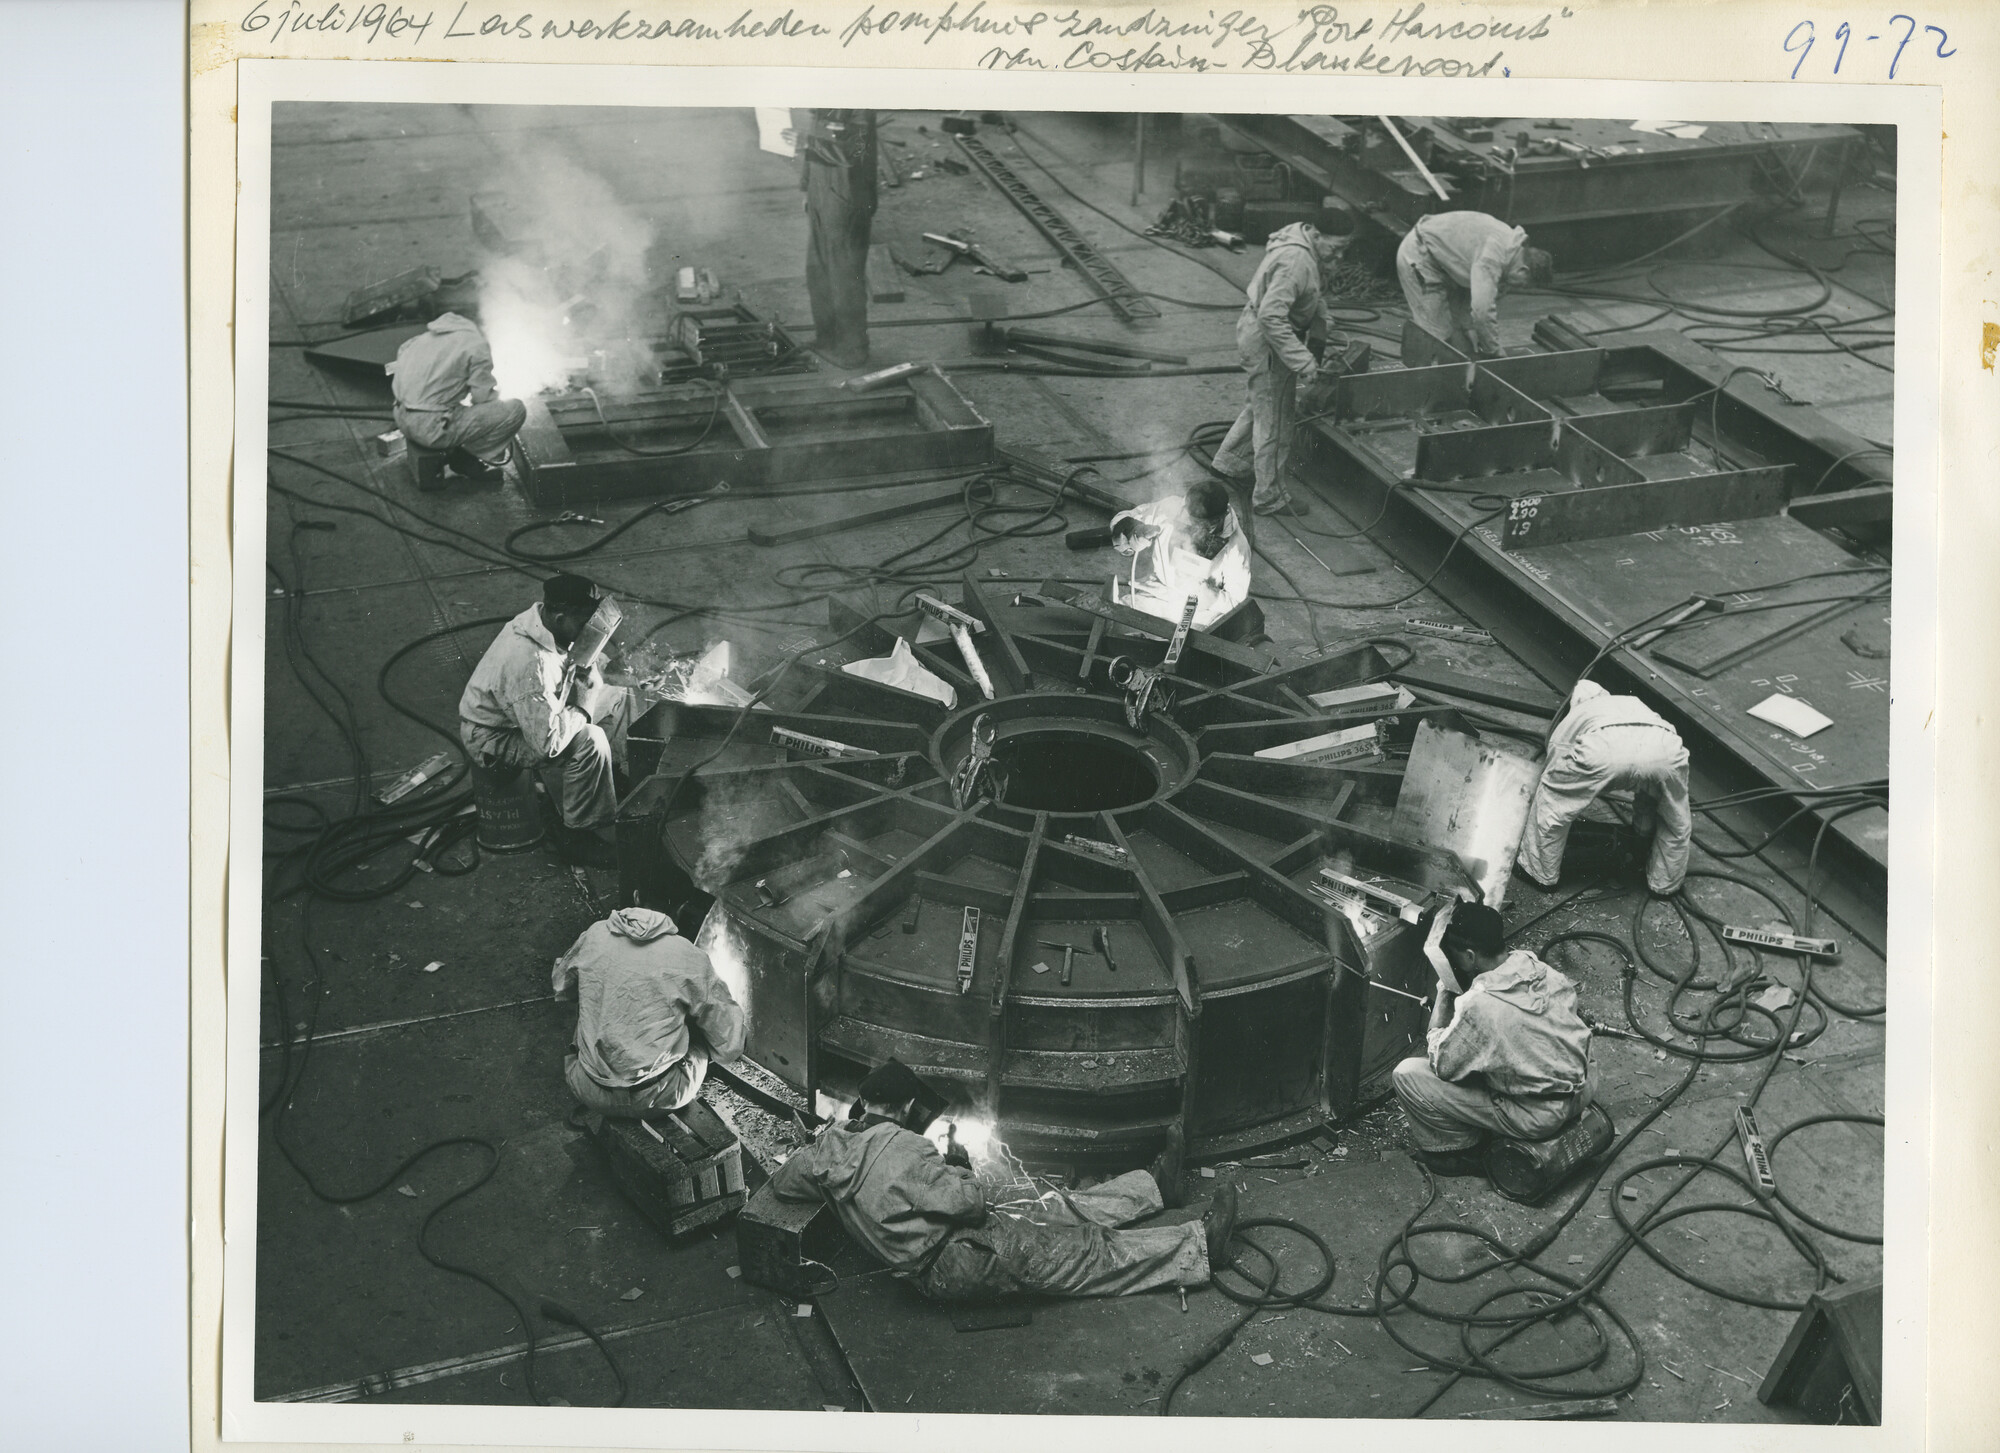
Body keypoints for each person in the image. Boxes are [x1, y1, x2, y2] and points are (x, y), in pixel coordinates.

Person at [770, 1060, 1239, 1304]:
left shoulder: (827, 1153)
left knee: (1054, 1206)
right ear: (909, 1107)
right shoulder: (907, 1148)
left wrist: (832, 1154)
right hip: (956, 1260)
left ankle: (1152, 1189)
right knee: (1086, 1252)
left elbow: (785, 1183)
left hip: (953, 1242)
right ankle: (1196, 1247)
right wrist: (958, 1167)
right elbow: (969, 1205)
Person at [1392, 902, 1595, 1176]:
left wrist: (1444, 994)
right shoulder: (1534, 965)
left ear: (1470, 956)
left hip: (1537, 1116)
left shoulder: (1480, 1006)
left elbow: (1443, 1065)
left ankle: (1463, 1152)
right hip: (1583, 1088)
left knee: (1406, 1074)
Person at [458, 573, 637, 868]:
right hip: (494, 737)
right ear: (559, 616)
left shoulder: (545, 621)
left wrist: (619, 676)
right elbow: (548, 745)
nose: (586, 633)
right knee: (589, 741)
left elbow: (580, 667)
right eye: (582, 626)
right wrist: (583, 703)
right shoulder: (528, 662)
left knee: (618, 696)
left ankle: (611, 779)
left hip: (533, 713)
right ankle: (578, 835)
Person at [1209, 221, 1350, 525]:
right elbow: (1272, 316)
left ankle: (1230, 462)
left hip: (1261, 333)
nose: (1337, 258)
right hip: (1266, 338)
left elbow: (1307, 292)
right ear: (1316, 233)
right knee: (1276, 419)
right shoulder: (1296, 261)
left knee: (1261, 403)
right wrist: (1303, 360)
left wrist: (1322, 317)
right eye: (1335, 249)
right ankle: (1269, 497)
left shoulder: (1303, 247)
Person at [551, 906, 745, 1117]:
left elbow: (561, 987)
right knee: (700, 1033)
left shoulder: (594, 935)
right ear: (681, 907)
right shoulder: (687, 954)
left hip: (588, 1089)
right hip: (660, 1098)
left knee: (591, 1005)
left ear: (636, 896)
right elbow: (729, 1048)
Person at [1517, 679, 1692, 895]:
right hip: (1666, 752)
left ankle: (1540, 874)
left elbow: (1556, 761)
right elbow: (1645, 750)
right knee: (1673, 816)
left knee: (1552, 805)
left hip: (1603, 751)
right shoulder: (1631, 703)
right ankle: (1663, 882)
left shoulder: (1579, 713)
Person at [387, 312, 527, 488]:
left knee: (448, 406)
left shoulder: (420, 339)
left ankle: (457, 450)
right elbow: (482, 397)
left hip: (400, 417)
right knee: (515, 409)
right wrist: (495, 394)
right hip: (430, 430)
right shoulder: (476, 344)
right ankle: (467, 460)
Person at [1394, 211, 1554, 359]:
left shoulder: (1511, 246)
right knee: (1436, 330)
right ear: (1523, 270)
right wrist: (1494, 351)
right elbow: (1482, 312)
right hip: (1420, 255)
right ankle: (1422, 376)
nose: (1516, 288)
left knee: (1459, 330)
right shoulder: (1492, 258)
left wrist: (1468, 326)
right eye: (1523, 285)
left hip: (1443, 259)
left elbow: (1471, 293)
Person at [1109, 479, 1252, 631]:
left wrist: (1212, 596)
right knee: (1114, 620)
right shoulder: (1171, 508)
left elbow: (1236, 603)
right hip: (1160, 594)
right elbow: (1124, 517)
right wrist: (1131, 530)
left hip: (1200, 611)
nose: (1196, 530)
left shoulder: (1237, 548)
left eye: (1202, 525)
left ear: (1220, 518)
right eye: (1192, 521)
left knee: (1192, 646)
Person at [799, 108, 878, 369]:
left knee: (845, 276)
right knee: (817, 273)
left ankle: (854, 350)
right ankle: (827, 339)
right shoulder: (823, 100)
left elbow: (852, 153)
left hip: (847, 197)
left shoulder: (859, 107)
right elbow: (813, 141)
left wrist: (806, 142)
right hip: (821, 193)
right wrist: (806, 187)